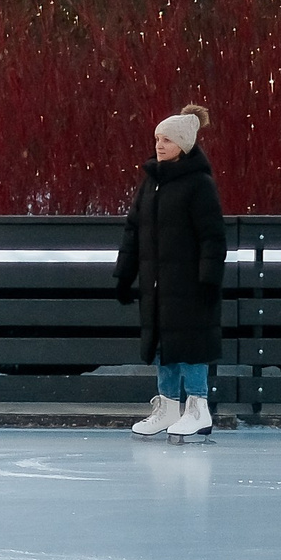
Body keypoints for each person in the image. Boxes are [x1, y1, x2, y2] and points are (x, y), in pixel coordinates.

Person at [116, 104, 226, 443]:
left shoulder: (199, 184)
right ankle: (168, 406)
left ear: (183, 144)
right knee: (163, 345)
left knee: (191, 344)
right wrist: (124, 275)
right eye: (157, 139)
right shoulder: (151, 183)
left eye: (167, 140)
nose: (159, 145)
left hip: (190, 285)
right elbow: (134, 230)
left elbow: (212, 236)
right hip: (158, 285)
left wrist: (208, 278)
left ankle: (198, 407)